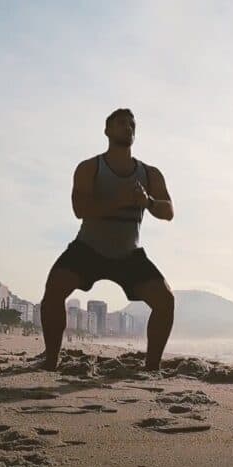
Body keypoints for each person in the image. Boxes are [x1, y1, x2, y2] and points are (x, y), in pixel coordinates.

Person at [39, 108, 175, 371]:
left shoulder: (150, 174)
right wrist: (122, 200)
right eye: (121, 123)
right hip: (88, 248)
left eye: (132, 124)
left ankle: (152, 369)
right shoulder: (89, 168)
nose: (128, 128)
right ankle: (50, 362)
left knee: (165, 301)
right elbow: (80, 209)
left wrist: (146, 201)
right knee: (54, 288)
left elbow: (168, 211)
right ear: (107, 130)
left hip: (129, 254)